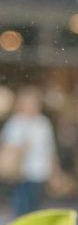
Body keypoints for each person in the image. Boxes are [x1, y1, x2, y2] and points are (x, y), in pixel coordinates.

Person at [1, 86, 57, 218]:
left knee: (34, 207)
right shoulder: (16, 122)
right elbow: (7, 146)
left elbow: (50, 149)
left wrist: (55, 172)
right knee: (21, 207)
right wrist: (21, 147)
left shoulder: (43, 123)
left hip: (39, 171)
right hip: (21, 172)